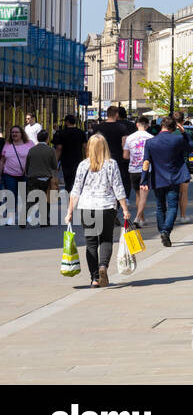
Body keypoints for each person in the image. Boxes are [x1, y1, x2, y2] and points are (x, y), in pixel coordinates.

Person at [66, 134, 131, 288]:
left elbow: (75, 190)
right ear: (105, 147)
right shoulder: (111, 164)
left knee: (91, 243)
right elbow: (118, 187)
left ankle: (95, 278)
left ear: (89, 147)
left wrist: (69, 212)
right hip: (106, 207)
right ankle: (103, 267)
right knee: (106, 239)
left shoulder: (83, 165)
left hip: (87, 207)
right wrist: (125, 208)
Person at [143, 117, 193, 247]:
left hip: (157, 178)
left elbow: (146, 162)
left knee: (160, 207)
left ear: (161, 126)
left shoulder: (150, 142)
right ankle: (166, 231)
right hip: (173, 177)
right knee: (172, 206)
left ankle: (162, 231)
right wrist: (184, 132)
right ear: (174, 128)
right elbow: (191, 148)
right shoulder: (177, 139)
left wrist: (143, 180)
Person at [97, 106, 134, 203]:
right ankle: (123, 198)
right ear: (116, 114)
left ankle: (105, 195)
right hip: (118, 156)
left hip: (102, 156)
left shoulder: (99, 127)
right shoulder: (121, 127)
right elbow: (124, 143)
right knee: (121, 177)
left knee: (104, 177)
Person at [1, 125, 34, 227]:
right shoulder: (7, 144)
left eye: (16, 132)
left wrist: (28, 169)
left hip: (24, 174)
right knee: (11, 196)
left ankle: (27, 215)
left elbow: (33, 158)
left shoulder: (29, 144)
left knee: (25, 196)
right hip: (9, 174)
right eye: (12, 132)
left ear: (21, 134)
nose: (14, 134)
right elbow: (2, 160)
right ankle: (10, 218)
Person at [24, 129, 59, 226]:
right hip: (46, 178)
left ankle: (23, 218)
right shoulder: (50, 150)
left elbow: (27, 165)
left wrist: (28, 173)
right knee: (45, 199)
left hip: (33, 178)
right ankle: (44, 221)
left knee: (31, 199)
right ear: (47, 139)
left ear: (37, 139)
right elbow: (54, 166)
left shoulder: (32, 150)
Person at [124, 116, 153, 229]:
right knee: (144, 196)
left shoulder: (130, 138)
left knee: (137, 195)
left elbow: (125, 156)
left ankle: (142, 218)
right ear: (147, 126)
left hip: (133, 169)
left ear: (137, 124)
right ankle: (137, 218)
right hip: (145, 169)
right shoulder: (151, 137)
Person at [53, 114, 88, 193]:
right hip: (78, 159)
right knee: (77, 178)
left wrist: (55, 161)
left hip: (66, 160)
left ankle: (68, 193)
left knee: (67, 180)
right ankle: (76, 195)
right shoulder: (80, 132)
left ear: (67, 122)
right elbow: (85, 147)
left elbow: (59, 148)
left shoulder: (61, 133)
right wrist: (87, 159)